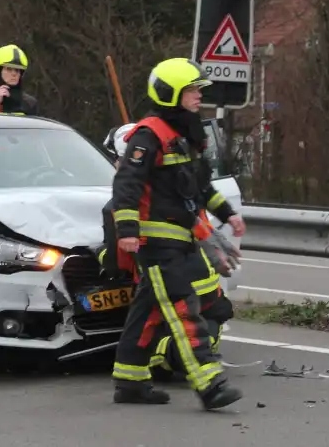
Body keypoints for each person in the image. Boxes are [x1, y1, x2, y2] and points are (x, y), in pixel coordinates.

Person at [107, 57, 246, 410]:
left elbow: (199, 188)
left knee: (149, 311)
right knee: (184, 309)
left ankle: (130, 381)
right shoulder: (148, 135)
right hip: (157, 242)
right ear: (171, 94)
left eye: (199, 90)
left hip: (180, 238)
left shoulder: (185, 134)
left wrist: (227, 214)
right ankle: (209, 384)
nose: (199, 96)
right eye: (192, 90)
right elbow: (126, 185)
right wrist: (126, 230)